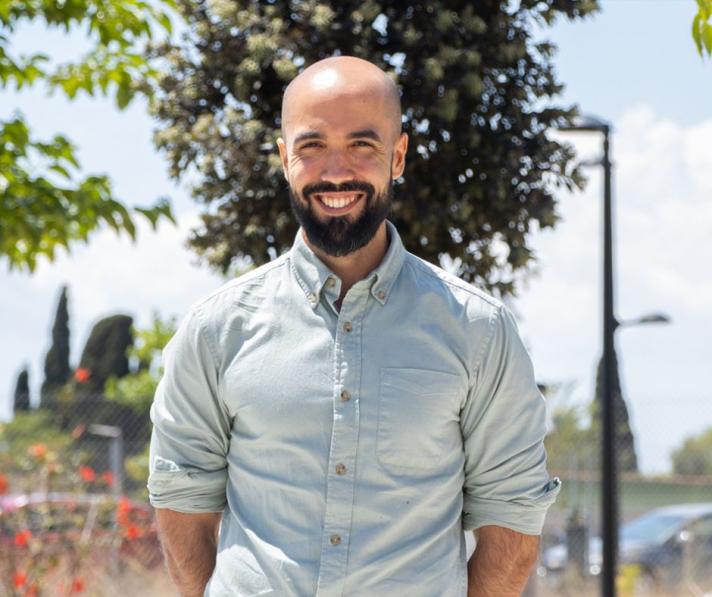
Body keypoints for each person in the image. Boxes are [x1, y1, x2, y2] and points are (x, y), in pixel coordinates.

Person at [148, 55, 560, 597]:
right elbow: (183, 505)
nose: (336, 171)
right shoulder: (215, 331)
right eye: (312, 146)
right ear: (285, 158)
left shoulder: (478, 332)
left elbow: (512, 521)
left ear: (398, 156)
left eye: (362, 145)